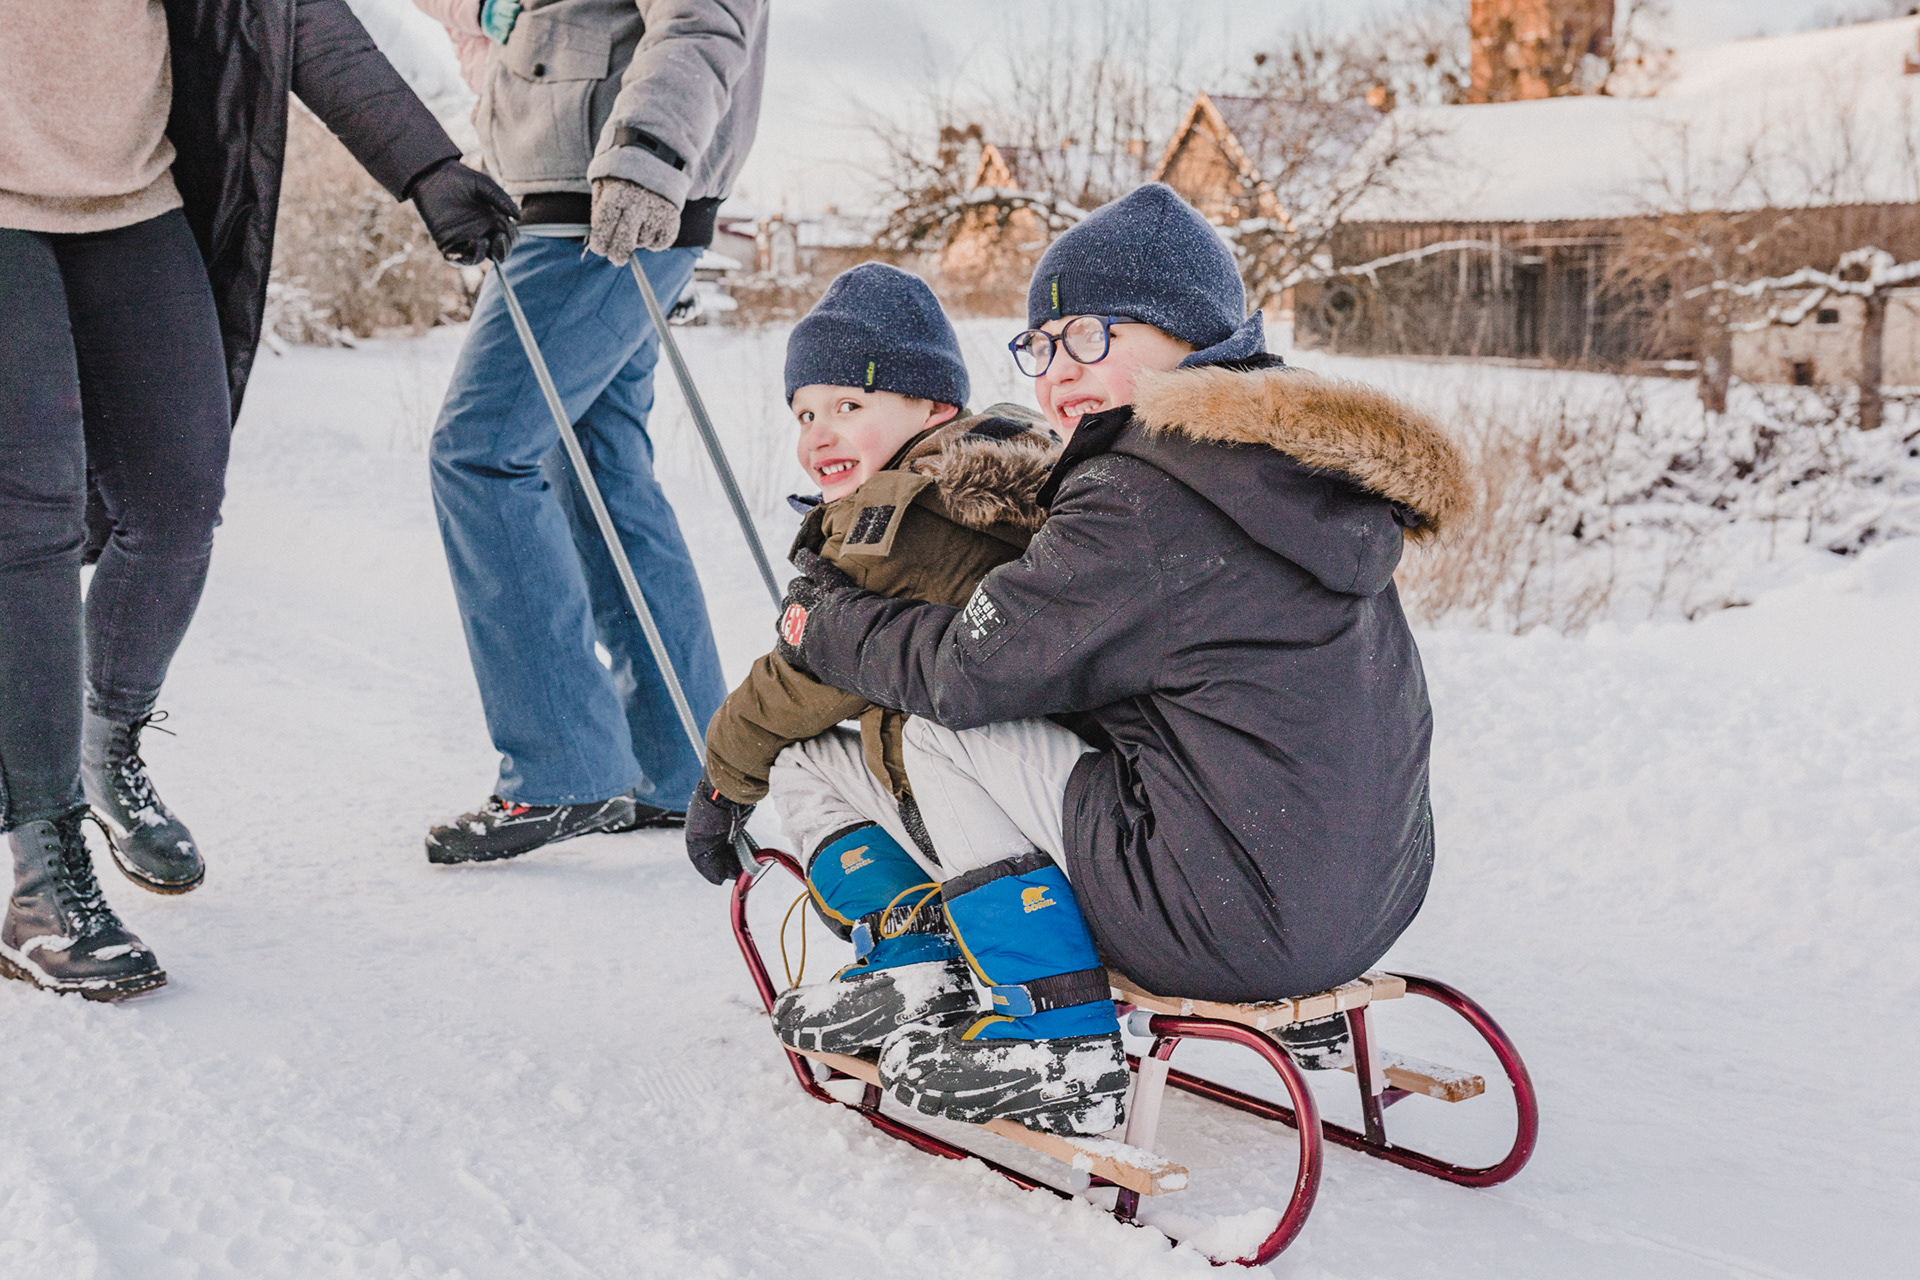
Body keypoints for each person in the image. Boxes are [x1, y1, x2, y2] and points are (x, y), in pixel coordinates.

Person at [766, 183, 1472, 1135]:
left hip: (1222, 923)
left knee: (943, 733)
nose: (1058, 374)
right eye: (1041, 346)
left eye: (1091, 337)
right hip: (1369, 905)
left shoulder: (1146, 485)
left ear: (1190, 335)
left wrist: (824, 623)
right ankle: (1283, 996)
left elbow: (966, 672)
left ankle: (1056, 1038)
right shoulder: (1293, 470)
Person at [0, 0, 518, 1000]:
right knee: (29, 518)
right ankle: (40, 870)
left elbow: (290, 14)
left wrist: (424, 165)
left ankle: (106, 735)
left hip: (133, 201)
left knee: (179, 500)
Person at [415, 0, 770, 865]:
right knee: (596, 467)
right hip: (575, 198)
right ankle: (678, 762)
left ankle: (563, 767)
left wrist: (649, 151)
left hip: (601, 204)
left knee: (480, 452)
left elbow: (703, 15)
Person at [680, 263, 1057, 1058]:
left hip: (985, 817)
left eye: (849, 406)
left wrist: (722, 781)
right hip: (1044, 798)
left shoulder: (908, 517)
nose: (819, 435)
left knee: (798, 758)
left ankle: (910, 947)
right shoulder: (998, 488)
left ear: (935, 408)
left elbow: (803, 679)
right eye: (805, 413)